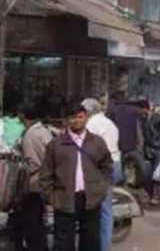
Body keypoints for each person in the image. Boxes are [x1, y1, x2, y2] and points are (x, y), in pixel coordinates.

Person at [39, 103, 113, 251]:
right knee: (63, 243)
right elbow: (46, 174)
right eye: (72, 118)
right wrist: (52, 197)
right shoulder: (56, 145)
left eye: (80, 117)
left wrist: (101, 190)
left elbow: (107, 167)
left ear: (86, 118)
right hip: (64, 199)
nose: (77, 121)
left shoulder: (97, 142)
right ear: (66, 120)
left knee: (91, 241)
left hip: (91, 199)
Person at [81, 97, 121, 251]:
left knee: (94, 209)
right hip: (115, 163)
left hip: (100, 166)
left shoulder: (91, 124)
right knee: (105, 210)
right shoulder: (109, 123)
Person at [16, 103, 56, 251]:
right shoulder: (44, 131)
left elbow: (32, 164)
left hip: (35, 184)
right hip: (45, 181)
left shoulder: (30, 135)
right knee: (38, 220)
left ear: (22, 115)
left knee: (32, 222)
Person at [138, 99, 160, 206]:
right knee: (148, 174)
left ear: (146, 109)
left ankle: (155, 196)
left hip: (159, 149)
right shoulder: (142, 120)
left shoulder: (158, 119)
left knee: (156, 174)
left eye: (142, 109)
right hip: (147, 150)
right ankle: (150, 194)